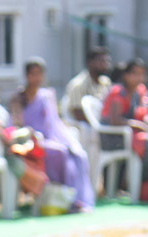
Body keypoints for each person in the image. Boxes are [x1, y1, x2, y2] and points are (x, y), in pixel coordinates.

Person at [11, 58, 94, 212]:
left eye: (39, 74)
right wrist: (32, 134)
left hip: (49, 139)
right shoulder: (18, 98)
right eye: (33, 74)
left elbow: (53, 123)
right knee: (59, 153)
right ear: (27, 75)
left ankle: (74, 199)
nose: (36, 78)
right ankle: (62, 197)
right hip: (29, 143)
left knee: (77, 155)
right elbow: (17, 124)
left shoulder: (46, 96)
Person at [102, 58, 148, 196]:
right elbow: (114, 120)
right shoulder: (118, 93)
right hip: (115, 137)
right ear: (125, 75)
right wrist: (139, 125)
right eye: (135, 73)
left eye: (142, 73)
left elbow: (142, 115)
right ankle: (143, 188)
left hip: (135, 135)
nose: (139, 77)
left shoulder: (140, 91)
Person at [64, 46, 111, 122]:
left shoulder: (106, 82)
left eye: (107, 61)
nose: (105, 65)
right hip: (86, 128)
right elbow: (78, 114)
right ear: (90, 62)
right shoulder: (78, 84)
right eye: (102, 61)